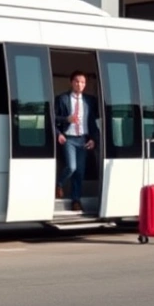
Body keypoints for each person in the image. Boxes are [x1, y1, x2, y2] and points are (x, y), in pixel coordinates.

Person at [55, 70, 100, 211]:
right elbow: (52, 118)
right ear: (71, 82)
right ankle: (59, 183)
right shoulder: (62, 99)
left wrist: (94, 138)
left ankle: (76, 200)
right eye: (77, 82)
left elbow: (94, 121)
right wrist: (60, 130)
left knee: (80, 172)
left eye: (83, 82)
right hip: (68, 138)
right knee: (71, 167)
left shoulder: (90, 100)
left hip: (83, 139)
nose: (80, 85)